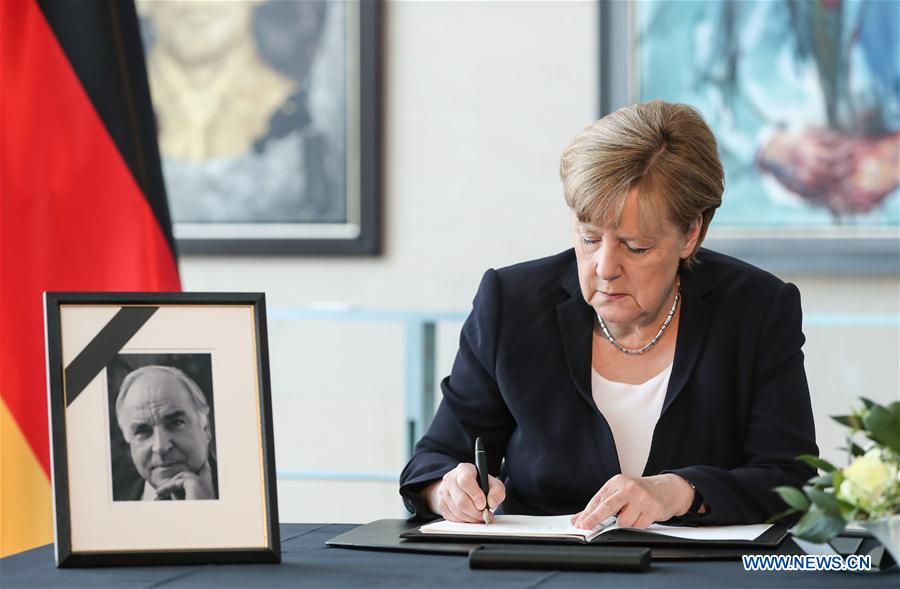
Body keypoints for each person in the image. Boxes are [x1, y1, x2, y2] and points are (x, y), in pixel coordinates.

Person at [399, 100, 818, 529]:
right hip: (538, 570)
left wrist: (682, 492)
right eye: (589, 238)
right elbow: (433, 460)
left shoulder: (758, 309)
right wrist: (449, 490)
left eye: (635, 247)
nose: (604, 267)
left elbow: (791, 480)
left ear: (691, 233)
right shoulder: (510, 302)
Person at [115, 365, 218, 501]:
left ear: (206, 429)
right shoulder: (114, 499)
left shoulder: (246, 489)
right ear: (128, 439)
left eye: (176, 423)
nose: (160, 447)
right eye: (142, 431)